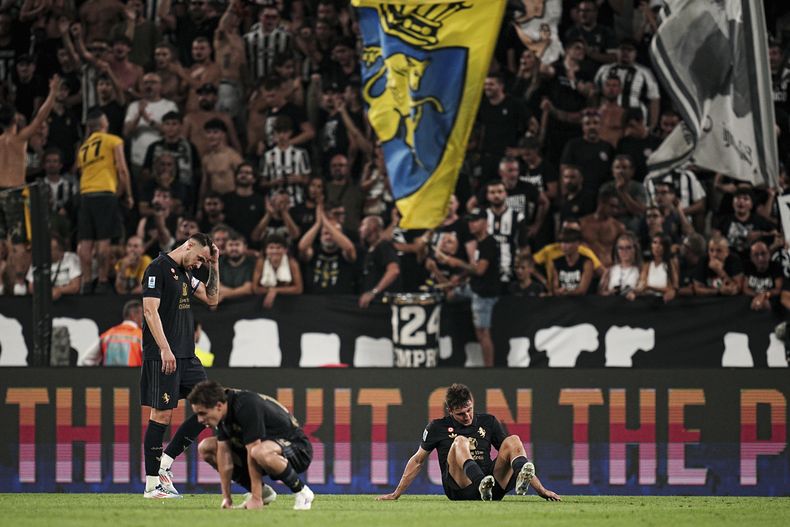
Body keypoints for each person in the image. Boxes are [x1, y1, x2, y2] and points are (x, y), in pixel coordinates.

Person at [378, 383, 559, 502]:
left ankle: (500, 484)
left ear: (472, 403)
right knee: (459, 442)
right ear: (450, 411)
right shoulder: (437, 427)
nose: (467, 416)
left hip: (492, 489)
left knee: (513, 440)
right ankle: (481, 482)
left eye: (469, 410)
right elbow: (418, 460)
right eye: (461, 414)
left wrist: (541, 490)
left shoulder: (488, 421)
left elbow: (512, 452)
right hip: (460, 489)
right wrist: (396, 493)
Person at [140, 232, 219, 499]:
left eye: (203, 262)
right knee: (161, 415)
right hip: (163, 355)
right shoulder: (157, 269)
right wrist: (164, 348)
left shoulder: (186, 272)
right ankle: (152, 486)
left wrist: (214, 265)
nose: (199, 265)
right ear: (188, 246)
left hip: (187, 356)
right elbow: (150, 311)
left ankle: (165, 462)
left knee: (210, 406)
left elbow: (212, 299)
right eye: (199, 259)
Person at [190, 380, 314, 510]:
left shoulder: (245, 405)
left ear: (219, 406)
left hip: (298, 449)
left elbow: (253, 451)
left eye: (202, 413)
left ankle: (302, 492)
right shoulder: (223, 412)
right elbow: (224, 457)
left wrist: (256, 498)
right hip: (267, 450)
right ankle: (263, 492)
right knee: (206, 447)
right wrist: (227, 498)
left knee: (258, 451)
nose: (200, 420)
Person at [77, 108, 134, 294]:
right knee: (103, 241)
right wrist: (126, 194)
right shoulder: (113, 140)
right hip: (104, 193)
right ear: (104, 123)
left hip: (85, 195)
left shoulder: (83, 148)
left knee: (85, 243)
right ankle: (102, 281)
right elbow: (123, 170)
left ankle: (86, 282)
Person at [79, 299, 144, 366]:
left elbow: (85, 360)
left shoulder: (107, 336)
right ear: (133, 314)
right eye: (142, 314)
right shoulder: (141, 336)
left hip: (109, 376)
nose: (143, 318)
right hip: (133, 376)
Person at [358, 215, 401, 308]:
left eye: (363, 225)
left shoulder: (383, 246)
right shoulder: (369, 249)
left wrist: (374, 292)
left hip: (381, 304)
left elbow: (394, 271)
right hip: (370, 303)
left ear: (373, 226)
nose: (359, 229)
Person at [251, 234, 303, 309]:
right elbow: (255, 288)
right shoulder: (261, 263)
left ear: (285, 250)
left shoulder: (292, 263)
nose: (275, 251)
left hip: (288, 302)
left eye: (278, 247)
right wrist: (271, 291)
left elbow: (298, 289)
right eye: (271, 247)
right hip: (264, 300)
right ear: (266, 250)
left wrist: (275, 290)